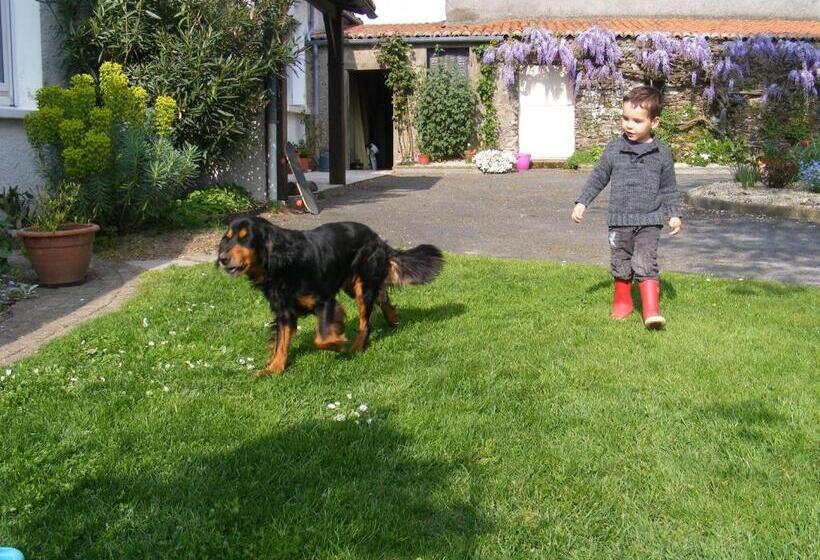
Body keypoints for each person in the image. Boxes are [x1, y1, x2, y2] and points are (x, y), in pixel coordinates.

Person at [571, 86, 683, 329]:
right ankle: (623, 302)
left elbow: (669, 188)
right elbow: (599, 176)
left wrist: (674, 214)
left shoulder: (661, 153)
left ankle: (651, 311)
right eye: (625, 119)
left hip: (649, 221)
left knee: (645, 261)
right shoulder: (615, 148)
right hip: (619, 220)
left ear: (654, 122)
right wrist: (582, 201)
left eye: (637, 121)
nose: (629, 125)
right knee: (620, 261)